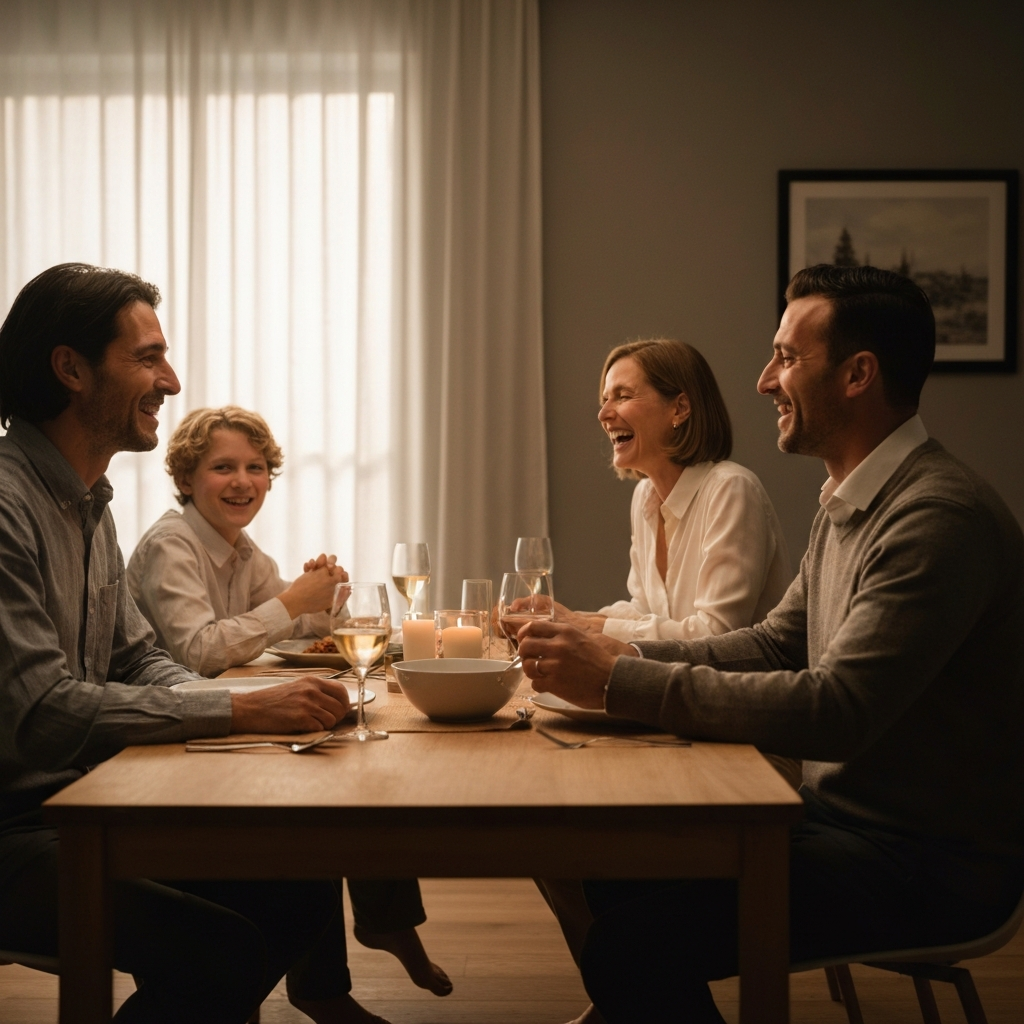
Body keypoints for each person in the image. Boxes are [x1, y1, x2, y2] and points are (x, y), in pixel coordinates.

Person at [517, 265, 1024, 1023]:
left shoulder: (935, 517)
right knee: (605, 868)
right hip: (841, 821)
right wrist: (615, 661)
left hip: (927, 861)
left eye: (787, 357)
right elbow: (775, 643)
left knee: (632, 943)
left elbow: (838, 709)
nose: (762, 381)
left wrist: (619, 681)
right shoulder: (852, 499)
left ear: (858, 375)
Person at [0, 263, 388, 1024]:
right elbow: (43, 713)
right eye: (147, 357)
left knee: (299, 864)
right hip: (21, 825)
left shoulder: (90, 505)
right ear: (70, 368)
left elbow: (138, 659)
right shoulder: (9, 506)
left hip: (83, 799)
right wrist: (240, 714)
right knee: (219, 950)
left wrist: (257, 706)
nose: (170, 381)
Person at [127, 405, 452, 1000]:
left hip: (223, 718)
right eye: (223, 467)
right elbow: (199, 652)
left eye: (256, 467)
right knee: (326, 772)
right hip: (171, 738)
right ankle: (335, 978)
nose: (243, 480)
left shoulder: (242, 550)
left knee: (350, 758)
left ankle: (362, 948)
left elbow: (293, 626)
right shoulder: (171, 545)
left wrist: (322, 597)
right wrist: (294, 603)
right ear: (186, 479)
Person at [558, 338, 791, 644]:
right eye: (605, 400)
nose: (604, 415)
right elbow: (645, 613)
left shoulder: (731, 490)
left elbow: (717, 635)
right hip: (674, 688)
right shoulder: (644, 495)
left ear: (679, 408)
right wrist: (561, 619)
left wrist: (588, 627)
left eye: (622, 396)